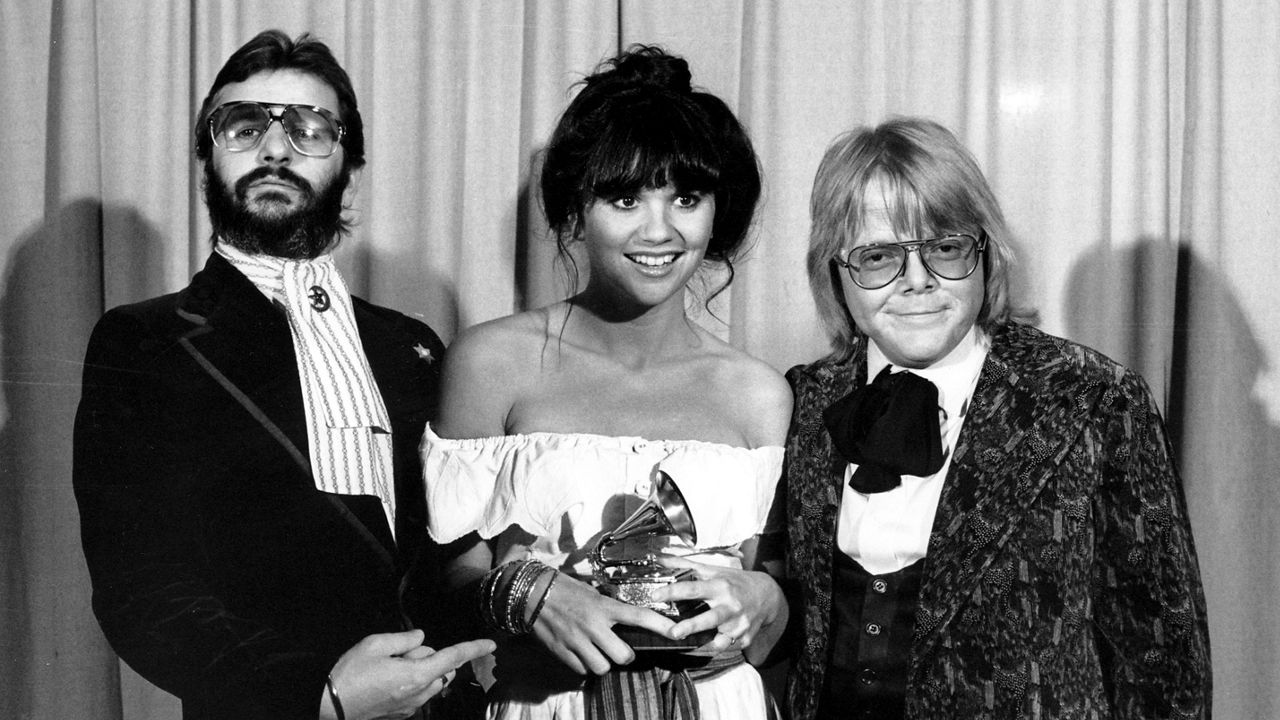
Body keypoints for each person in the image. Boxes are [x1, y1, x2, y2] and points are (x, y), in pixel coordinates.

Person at [73, 29, 493, 720]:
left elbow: (451, 553)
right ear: (207, 159)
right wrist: (320, 698)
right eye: (243, 128)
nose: (274, 149)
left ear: (350, 167)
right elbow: (140, 591)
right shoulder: (144, 341)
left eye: (308, 130)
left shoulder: (410, 344)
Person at [781, 117, 1211, 719]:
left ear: (985, 253)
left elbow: (1163, 659)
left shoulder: (1094, 400)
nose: (917, 281)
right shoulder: (801, 403)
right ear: (836, 274)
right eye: (878, 257)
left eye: (945, 247)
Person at [420, 46, 793, 719]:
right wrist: (528, 590)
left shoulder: (760, 394)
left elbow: (776, 585)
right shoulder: (490, 362)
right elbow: (440, 578)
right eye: (623, 197)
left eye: (686, 197)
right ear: (575, 208)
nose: (659, 231)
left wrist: (768, 600)